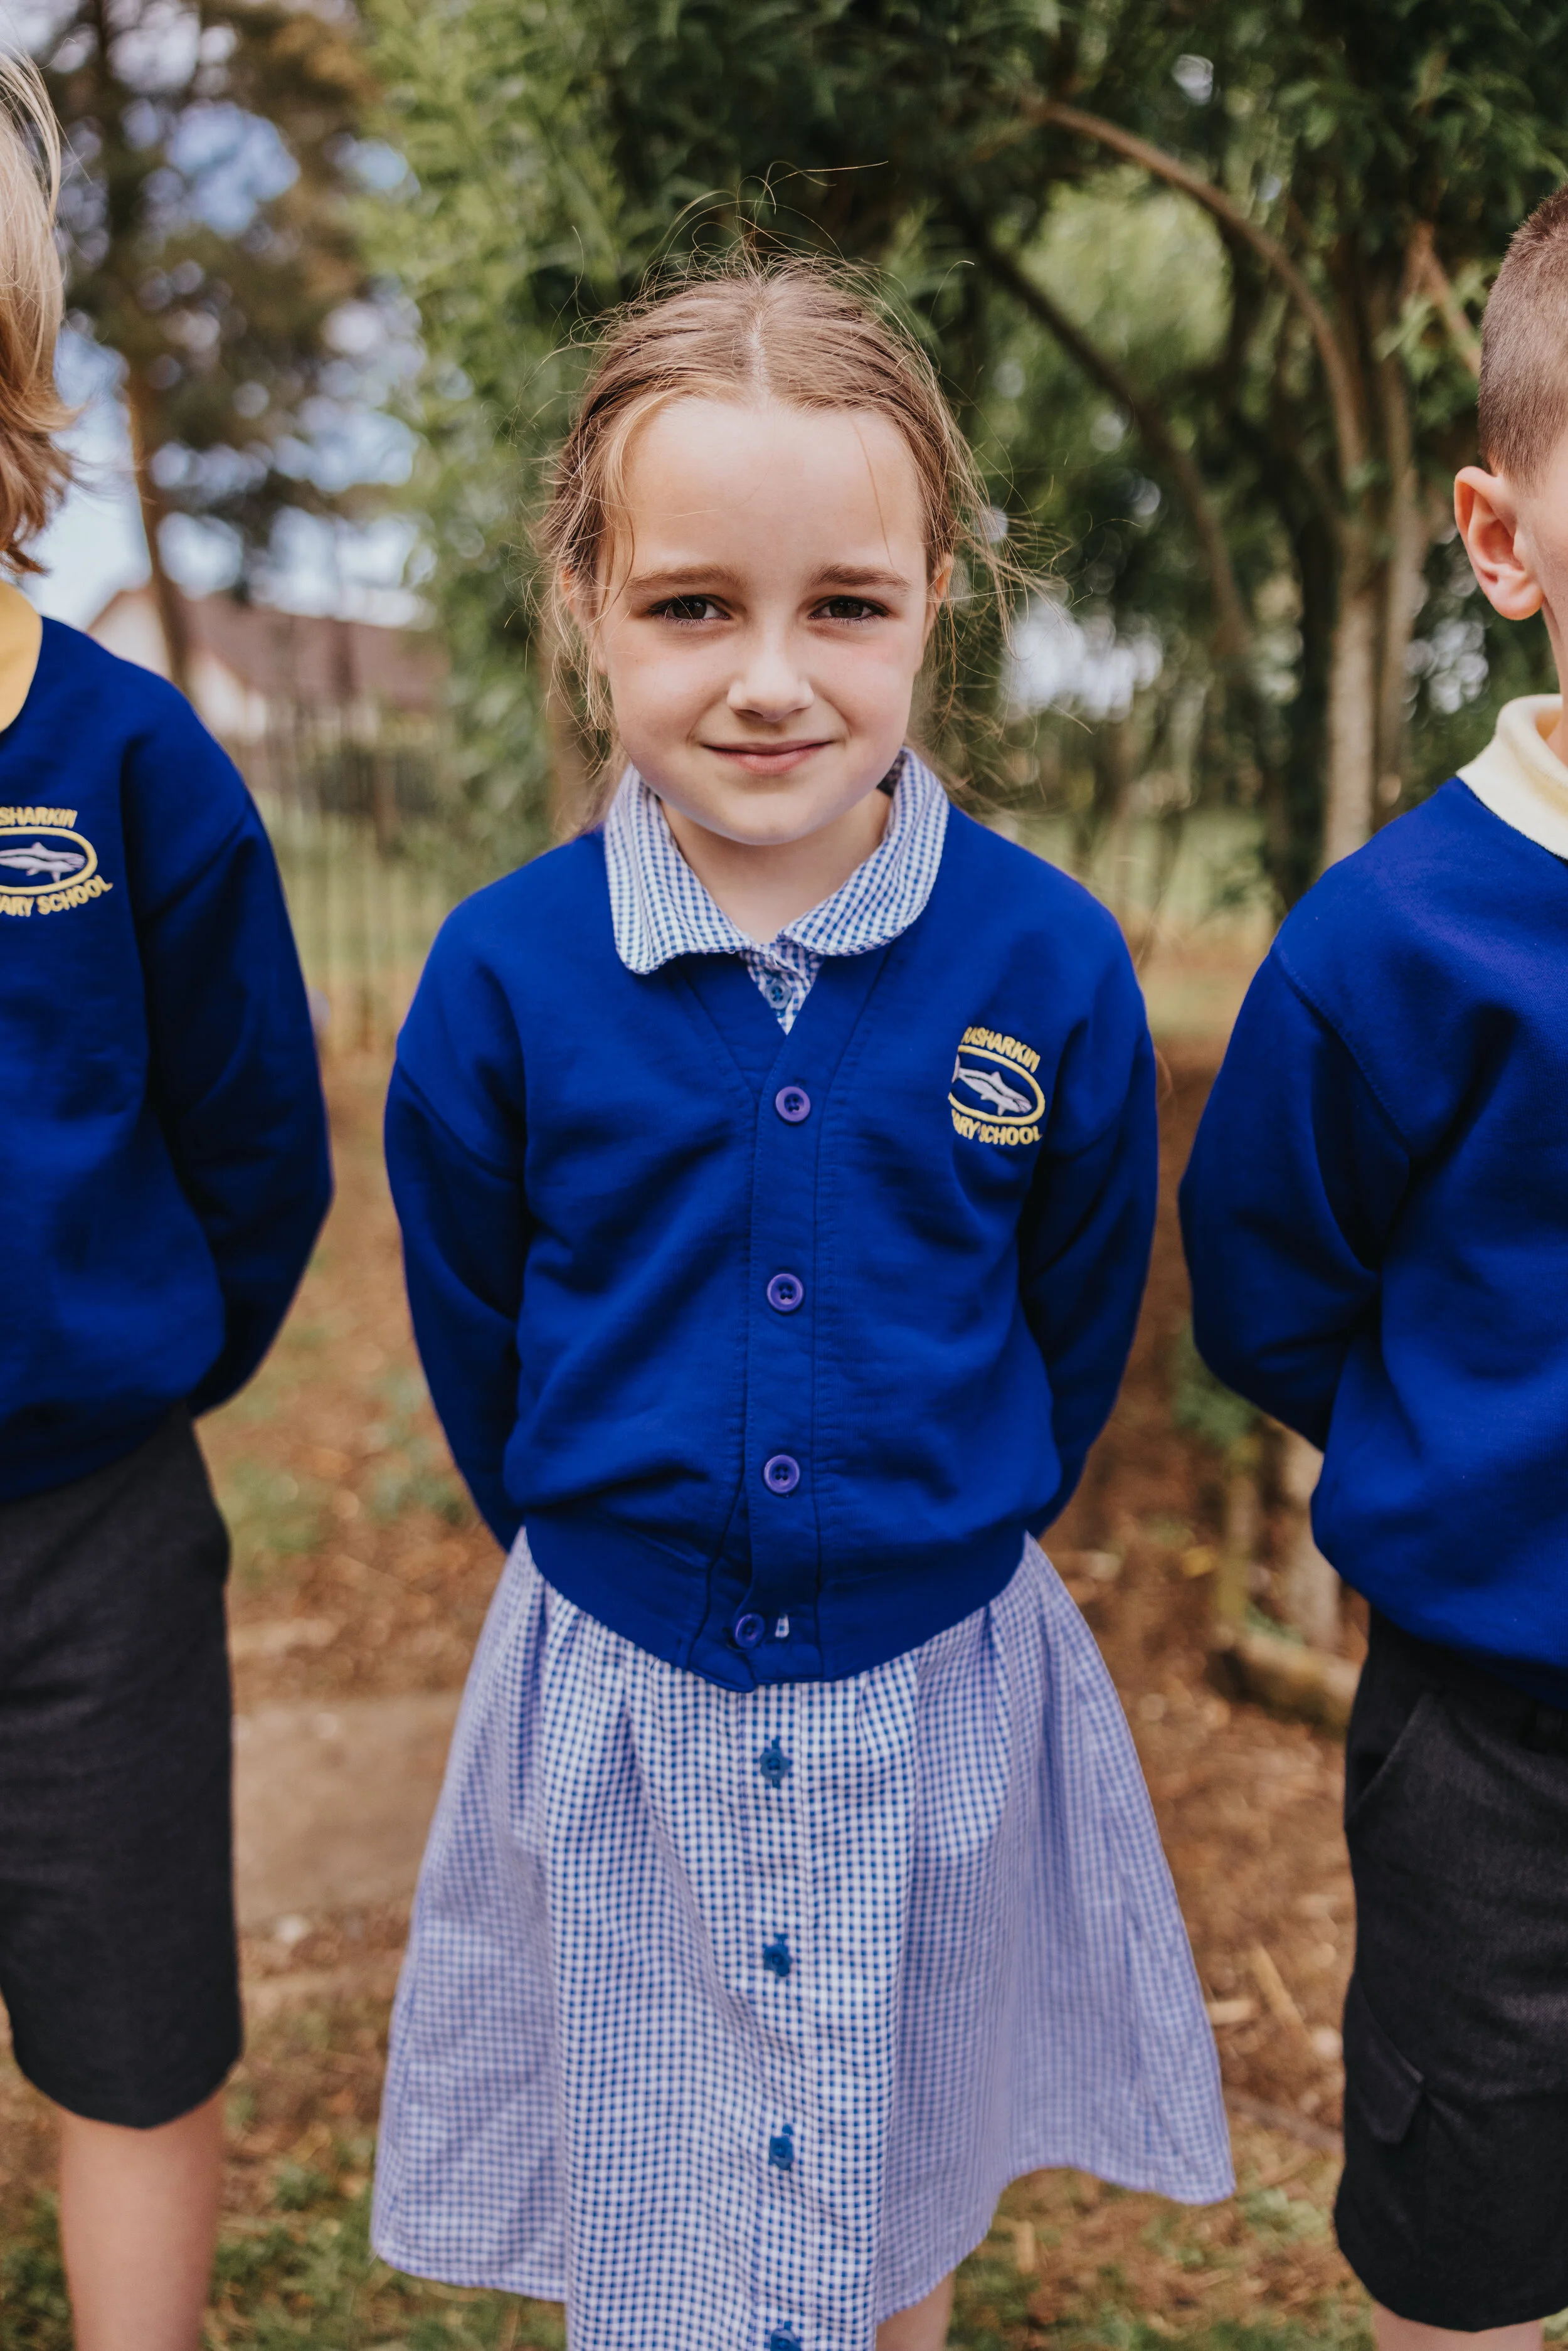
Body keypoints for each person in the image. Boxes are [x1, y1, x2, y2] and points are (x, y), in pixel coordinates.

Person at [373, 257, 1230, 2351]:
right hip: (625, 1697)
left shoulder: (1044, 965)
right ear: (587, 603)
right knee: (657, 2224)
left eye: (842, 603)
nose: (770, 677)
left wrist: (939, 1521)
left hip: (933, 1687)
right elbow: (483, 1344)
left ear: (940, 591)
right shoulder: (501, 978)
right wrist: (613, 1541)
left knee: (885, 2183)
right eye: (692, 606)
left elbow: (1073, 1301)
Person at [1180, 185, 1568, 2351]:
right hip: (1496, 1751)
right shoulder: (1389, 949)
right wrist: (1472, 1465)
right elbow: (1270, 1291)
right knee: (1474, 2227)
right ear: (1503, 541)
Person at [0, 58, 331, 2351]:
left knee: (130, 2008)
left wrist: (122, 1366)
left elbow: (251, 1143)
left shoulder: (133, 769)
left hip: (91, 1529)